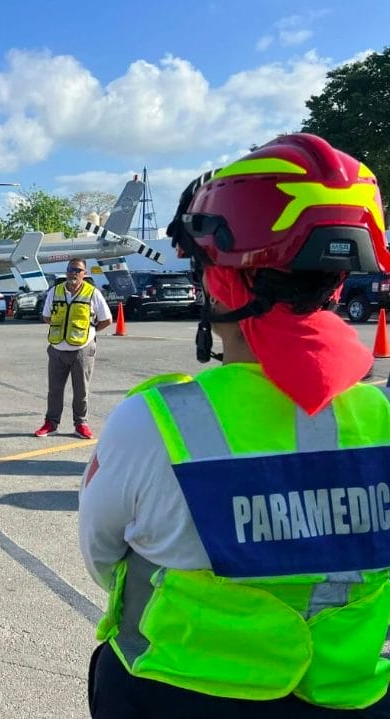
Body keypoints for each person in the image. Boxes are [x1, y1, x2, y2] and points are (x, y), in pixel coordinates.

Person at [80, 133, 390, 717]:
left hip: (177, 694)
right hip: (353, 695)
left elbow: (102, 557)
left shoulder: (155, 422)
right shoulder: (384, 417)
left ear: (220, 280)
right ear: (340, 277)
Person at [33, 258, 112, 439]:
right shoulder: (56, 291)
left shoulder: (93, 293)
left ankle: (81, 424)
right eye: (70, 269)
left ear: (84, 274)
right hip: (57, 349)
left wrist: (90, 331)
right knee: (54, 390)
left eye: (78, 270)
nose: (73, 273)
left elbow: (107, 320)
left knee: (81, 391)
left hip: (82, 350)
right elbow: (46, 316)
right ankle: (51, 424)